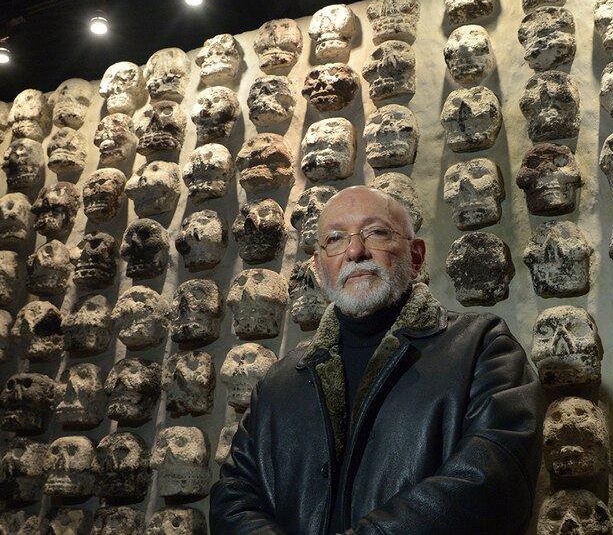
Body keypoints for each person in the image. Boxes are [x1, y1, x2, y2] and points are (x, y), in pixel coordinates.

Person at [210, 185, 543, 535]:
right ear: (319, 268)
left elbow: (493, 481)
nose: (355, 251)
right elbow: (233, 497)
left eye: (377, 233)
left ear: (415, 257)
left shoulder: (483, 348)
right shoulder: (278, 383)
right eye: (336, 239)